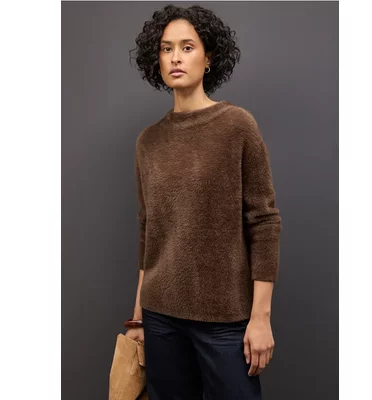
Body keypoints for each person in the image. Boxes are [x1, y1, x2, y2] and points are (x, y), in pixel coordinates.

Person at [125, 4, 282, 400]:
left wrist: (260, 317)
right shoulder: (148, 142)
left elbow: (264, 222)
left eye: (187, 47)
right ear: (157, 60)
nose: (175, 57)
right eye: (166, 48)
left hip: (225, 317)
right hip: (160, 317)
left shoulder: (236, 125)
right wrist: (139, 315)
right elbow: (149, 229)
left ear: (209, 57)